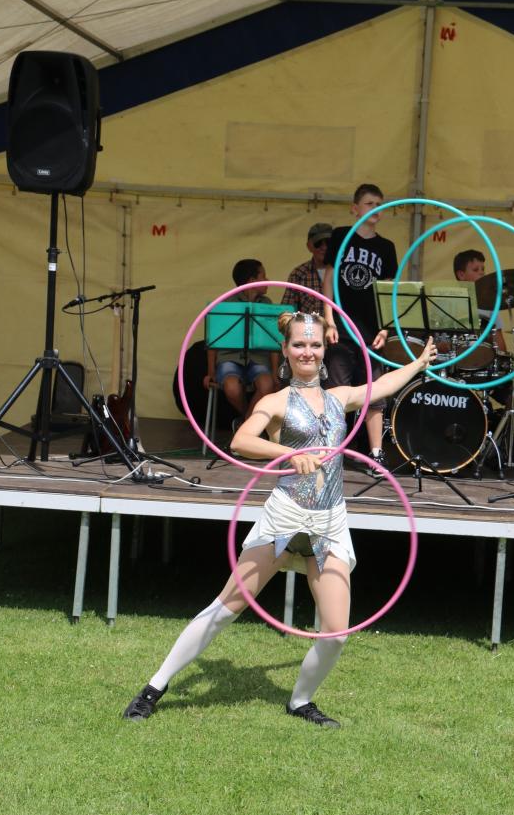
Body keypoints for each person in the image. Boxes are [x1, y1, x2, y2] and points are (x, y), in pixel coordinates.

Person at [123, 311, 437, 729]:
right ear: (285, 350)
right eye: (299, 345)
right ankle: (153, 688)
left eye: (315, 345)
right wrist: (290, 454)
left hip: (329, 521)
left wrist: (418, 364)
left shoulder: (339, 397)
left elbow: (380, 387)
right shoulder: (275, 402)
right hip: (286, 516)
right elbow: (241, 441)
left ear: (324, 349)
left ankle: (300, 701)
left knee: (337, 632)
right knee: (225, 609)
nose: (308, 352)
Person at [321, 183, 398, 476]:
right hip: (342, 324)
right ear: (355, 208)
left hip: (370, 328)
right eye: (369, 203)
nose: (375, 208)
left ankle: (376, 454)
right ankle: (332, 452)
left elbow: (389, 291)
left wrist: (385, 328)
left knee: (374, 391)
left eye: (379, 204)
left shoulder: (386, 247)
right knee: (337, 390)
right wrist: (329, 318)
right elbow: (329, 279)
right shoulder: (341, 236)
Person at [204, 258, 279, 429]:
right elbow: (212, 342)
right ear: (252, 281)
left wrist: (275, 371)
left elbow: (273, 340)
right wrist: (211, 372)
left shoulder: (267, 304)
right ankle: (248, 423)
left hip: (258, 359)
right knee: (232, 388)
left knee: (267, 385)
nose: (268, 280)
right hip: (229, 358)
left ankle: (243, 427)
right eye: (263, 276)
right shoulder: (225, 304)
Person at [453, 249, 514, 408]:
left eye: (483, 269)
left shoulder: (490, 304)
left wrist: (501, 361)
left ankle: (502, 425)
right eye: (476, 269)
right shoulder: (449, 301)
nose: (482, 273)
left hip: (483, 367)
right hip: (455, 368)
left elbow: (500, 342)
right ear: (461, 275)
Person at [281, 222, 334, 314]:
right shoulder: (298, 274)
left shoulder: (344, 272)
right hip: (309, 324)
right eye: (318, 243)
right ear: (309, 246)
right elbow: (287, 311)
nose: (324, 247)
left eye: (328, 243)